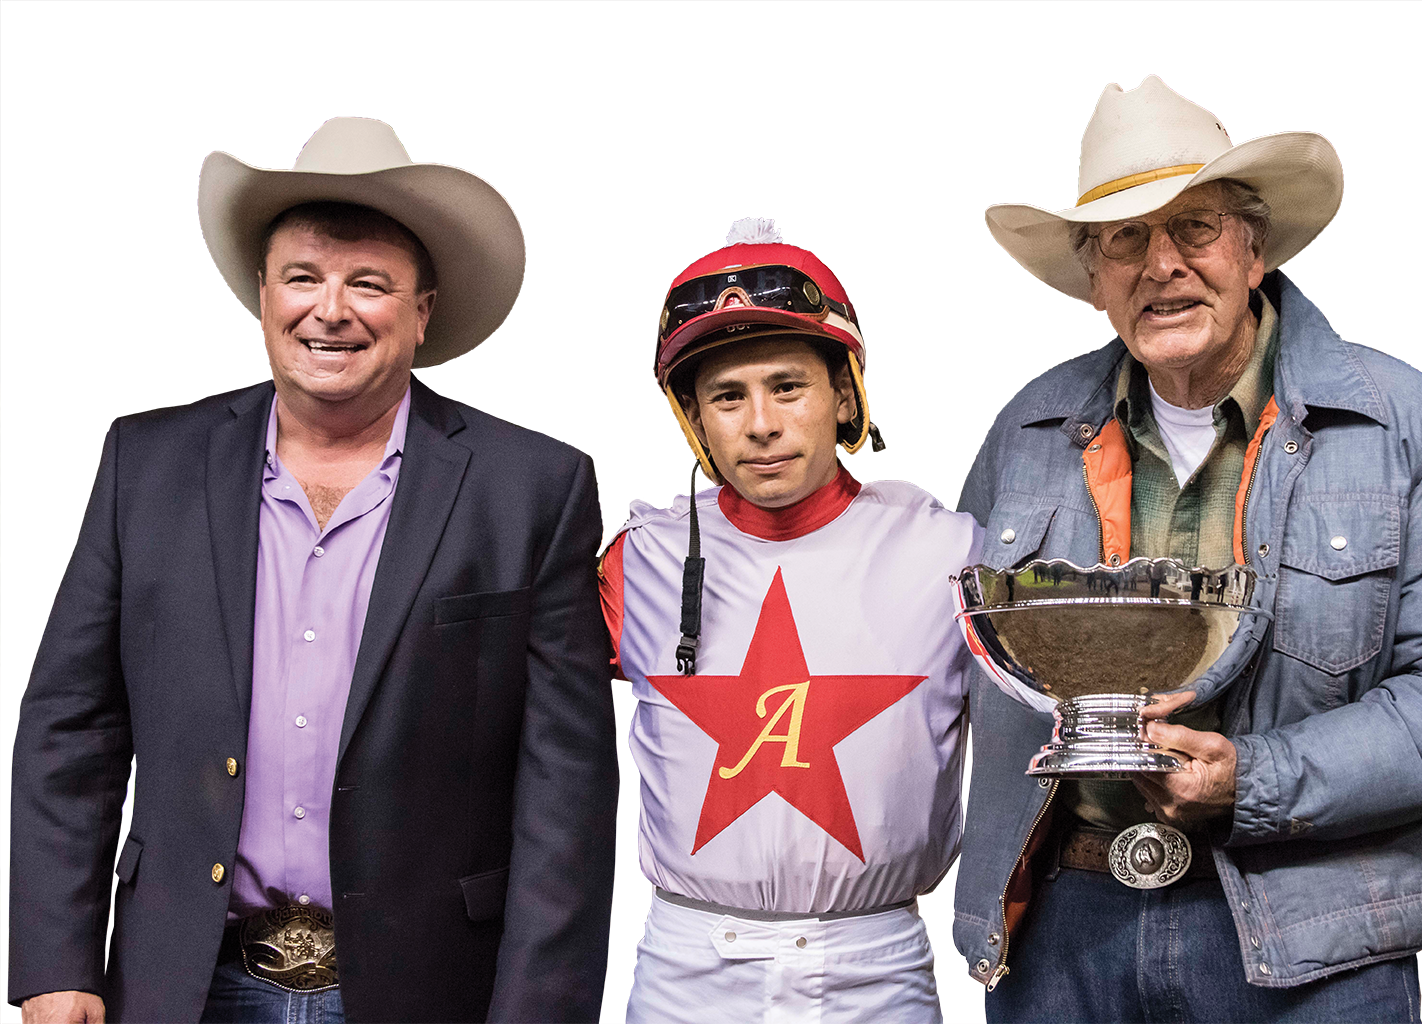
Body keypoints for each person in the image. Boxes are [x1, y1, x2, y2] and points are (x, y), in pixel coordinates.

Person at [9, 117, 617, 1024]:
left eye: (368, 283)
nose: (329, 308)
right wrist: (57, 966)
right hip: (188, 983)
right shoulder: (151, 468)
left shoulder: (528, 488)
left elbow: (565, 787)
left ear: (422, 310)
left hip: (429, 992)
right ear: (262, 295)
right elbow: (71, 728)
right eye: (302, 277)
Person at [952, 75, 1422, 1022]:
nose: (1162, 264)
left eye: (1195, 227)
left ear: (1252, 249)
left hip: (1317, 943)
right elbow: (958, 660)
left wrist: (1254, 783)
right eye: (1125, 239)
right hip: (1067, 937)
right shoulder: (1024, 433)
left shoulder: (1403, 427)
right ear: (1094, 280)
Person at [599, 219, 982, 1022]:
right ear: (694, 416)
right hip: (684, 970)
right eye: (727, 396)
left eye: (787, 386)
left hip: (875, 966)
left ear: (844, 391)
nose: (760, 424)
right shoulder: (636, 557)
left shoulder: (949, 549)